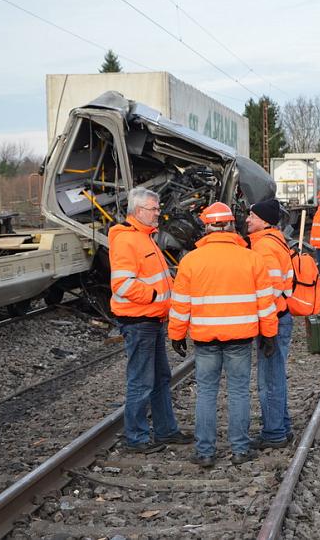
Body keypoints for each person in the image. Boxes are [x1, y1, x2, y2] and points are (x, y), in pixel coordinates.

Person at [169, 202, 278, 468]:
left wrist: (177, 334)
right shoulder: (251, 258)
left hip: (205, 338)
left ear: (206, 227)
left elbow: (180, 302)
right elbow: (265, 301)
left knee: (206, 392)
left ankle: (205, 451)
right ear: (231, 225)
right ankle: (240, 449)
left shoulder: (191, 261)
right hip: (240, 337)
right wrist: (269, 334)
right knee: (239, 391)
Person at [109, 187, 193, 454]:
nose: (159, 213)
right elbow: (122, 284)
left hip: (152, 320)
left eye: (158, 208)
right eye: (154, 209)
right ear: (138, 211)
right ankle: (136, 438)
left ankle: (166, 430)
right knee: (142, 381)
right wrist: (156, 295)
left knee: (159, 378)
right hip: (139, 321)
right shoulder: (127, 240)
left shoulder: (145, 237)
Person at [245, 198, 294, 449]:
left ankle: (274, 433)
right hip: (279, 317)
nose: (247, 220)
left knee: (269, 380)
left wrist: (266, 328)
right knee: (275, 376)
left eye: (251, 216)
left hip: (273, 320)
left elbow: (270, 291)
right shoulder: (275, 241)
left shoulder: (264, 247)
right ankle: (282, 427)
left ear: (263, 220)